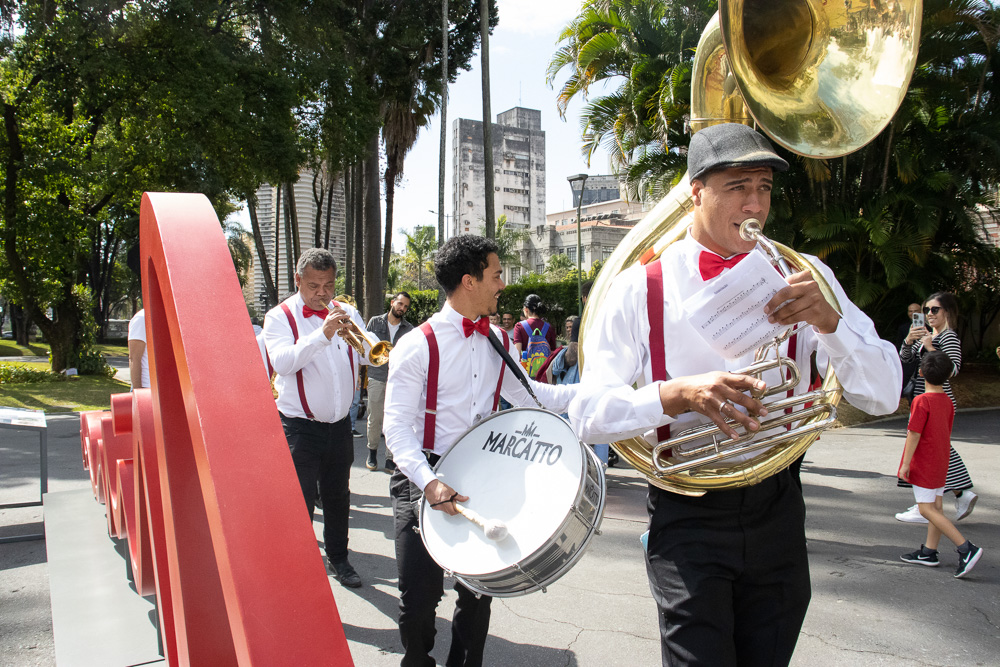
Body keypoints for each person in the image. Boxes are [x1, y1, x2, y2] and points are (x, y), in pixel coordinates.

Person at [568, 122, 901, 666]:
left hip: (779, 506)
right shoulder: (638, 287)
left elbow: (885, 394)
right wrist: (676, 395)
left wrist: (832, 322)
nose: (755, 204)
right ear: (695, 192)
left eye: (764, 187)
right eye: (738, 186)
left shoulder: (804, 274)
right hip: (687, 514)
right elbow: (587, 416)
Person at [383, 235, 576, 667]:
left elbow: (530, 397)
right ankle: (417, 658)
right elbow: (394, 429)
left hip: (482, 475)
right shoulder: (417, 345)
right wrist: (430, 483)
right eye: (496, 275)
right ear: (469, 281)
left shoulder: (500, 340)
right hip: (422, 474)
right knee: (418, 598)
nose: (502, 284)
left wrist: (588, 396)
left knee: (478, 594)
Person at [263, 248, 371, 589]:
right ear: (298, 281)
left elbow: (368, 353)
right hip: (299, 428)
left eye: (328, 285)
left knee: (339, 497)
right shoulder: (278, 316)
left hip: (339, 427)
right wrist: (323, 334)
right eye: (314, 286)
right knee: (301, 500)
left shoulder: (347, 310)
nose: (322, 293)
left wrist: (372, 346)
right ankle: (298, 566)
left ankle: (339, 559)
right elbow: (282, 362)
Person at [898, 351, 983, 578]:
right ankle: (929, 551)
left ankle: (966, 548)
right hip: (940, 460)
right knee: (935, 507)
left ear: (920, 372)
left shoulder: (921, 400)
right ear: (947, 376)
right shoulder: (947, 401)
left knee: (926, 509)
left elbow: (914, 433)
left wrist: (905, 464)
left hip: (924, 462)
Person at [895, 292, 977, 523]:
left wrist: (930, 347)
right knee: (936, 448)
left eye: (934, 310)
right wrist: (910, 340)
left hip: (937, 398)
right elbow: (906, 359)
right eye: (926, 310)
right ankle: (956, 495)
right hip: (923, 395)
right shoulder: (929, 335)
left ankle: (931, 502)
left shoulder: (948, 337)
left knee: (930, 448)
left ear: (947, 312)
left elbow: (952, 369)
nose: (929, 314)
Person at [365, 291, 414, 471]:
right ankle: (372, 453)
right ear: (393, 302)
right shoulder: (375, 322)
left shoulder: (409, 329)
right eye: (400, 304)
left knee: (393, 419)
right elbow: (365, 348)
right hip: (377, 375)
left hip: (397, 379)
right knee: (375, 417)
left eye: (406, 307)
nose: (402, 308)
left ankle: (390, 458)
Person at [512, 294, 557, 376]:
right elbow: (553, 353)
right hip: (544, 373)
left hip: (526, 372)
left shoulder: (519, 326)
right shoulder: (549, 327)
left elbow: (517, 353)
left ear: (526, 309)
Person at [896, 302, 922, 392]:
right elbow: (899, 347)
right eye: (910, 311)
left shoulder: (929, 329)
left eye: (916, 311)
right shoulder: (903, 328)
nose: (913, 313)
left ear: (921, 312)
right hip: (907, 364)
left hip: (923, 364)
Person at [127, 309, 149, 389]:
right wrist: (138, 392)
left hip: (166, 388)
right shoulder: (142, 318)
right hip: (146, 387)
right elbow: (134, 357)